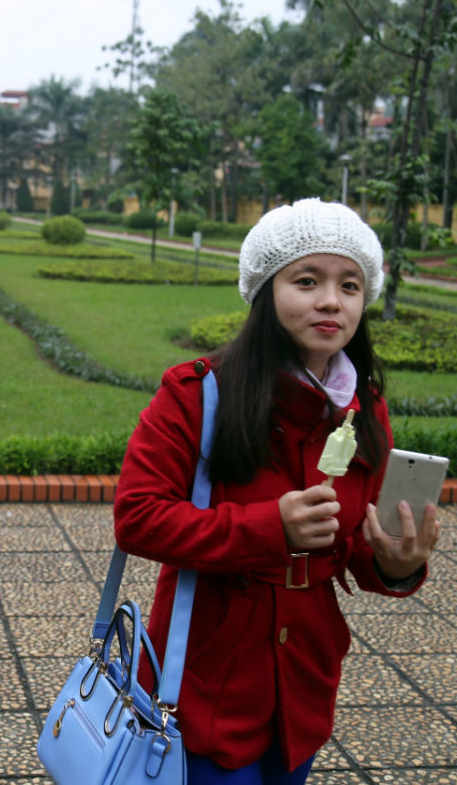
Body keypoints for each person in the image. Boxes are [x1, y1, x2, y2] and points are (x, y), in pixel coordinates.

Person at [113, 199, 439, 785]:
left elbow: (356, 551)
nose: (332, 301)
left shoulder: (365, 408)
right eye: (307, 280)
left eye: (350, 285)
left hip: (304, 682)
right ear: (267, 290)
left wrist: (393, 563)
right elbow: (138, 517)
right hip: (204, 681)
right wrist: (269, 527)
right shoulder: (196, 393)